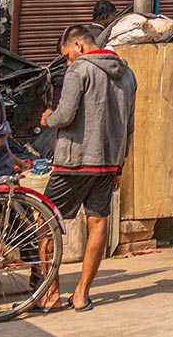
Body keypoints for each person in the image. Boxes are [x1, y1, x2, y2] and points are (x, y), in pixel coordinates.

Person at [38, 24, 137, 313]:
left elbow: (65, 115)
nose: (67, 61)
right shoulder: (128, 74)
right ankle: (81, 294)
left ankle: (51, 294)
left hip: (74, 162)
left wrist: (48, 119)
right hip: (108, 162)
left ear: (79, 46)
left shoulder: (79, 70)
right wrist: (120, 165)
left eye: (66, 55)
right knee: (98, 223)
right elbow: (129, 124)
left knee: (46, 223)